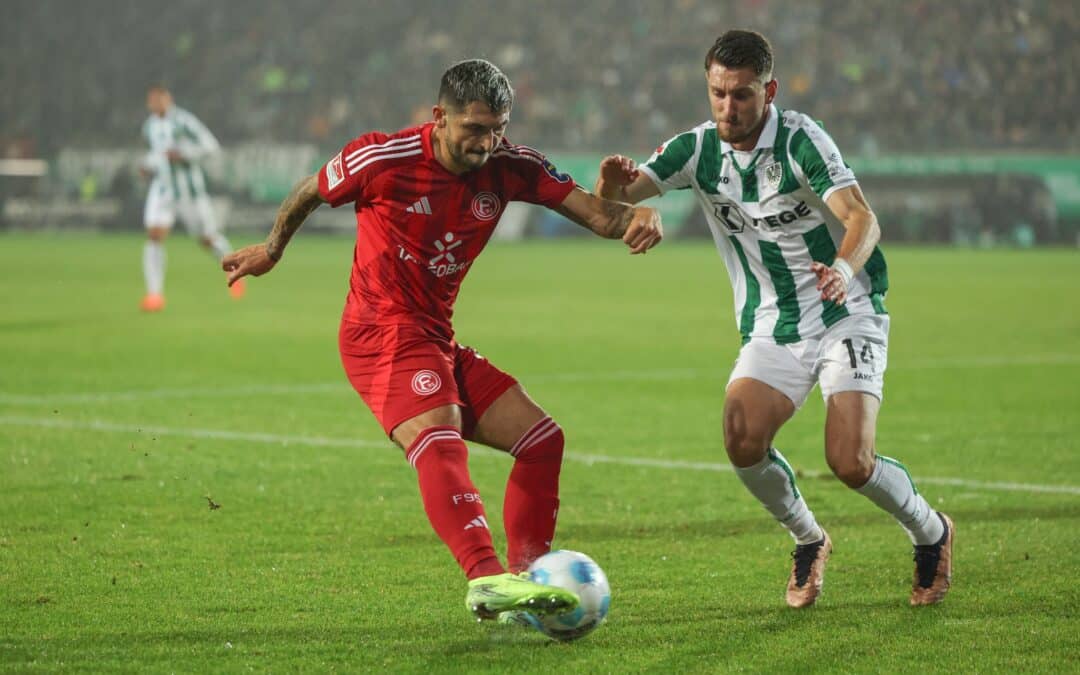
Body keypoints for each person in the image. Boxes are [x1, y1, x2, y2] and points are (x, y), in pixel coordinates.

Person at [222, 59, 663, 621]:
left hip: (434, 335)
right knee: (440, 427)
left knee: (542, 439)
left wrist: (640, 215)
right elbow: (311, 188)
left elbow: (599, 217)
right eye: (475, 128)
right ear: (440, 117)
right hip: (379, 332)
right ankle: (485, 580)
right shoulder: (383, 158)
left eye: (498, 127)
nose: (488, 141)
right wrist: (272, 248)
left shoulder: (511, 165)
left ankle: (528, 581)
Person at [595, 30, 952, 608]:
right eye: (717, 94)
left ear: (769, 90)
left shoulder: (801, 141)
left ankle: (930, 531)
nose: (728, 108)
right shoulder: (696, 149)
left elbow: (862, 220)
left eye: (741, 95)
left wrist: (840, 267)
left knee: (850, 462)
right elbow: (612, 207)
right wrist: (614, 184)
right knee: (741, 436)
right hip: (773, 324)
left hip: (845, 311)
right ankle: (809, 539)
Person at [139, 85, 243, 311]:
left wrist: (185, 154)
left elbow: (210, 146)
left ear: (168, 99)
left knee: (207, 239)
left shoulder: (184, 121)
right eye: (151, 100)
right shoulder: (149, 127)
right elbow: (155, 154)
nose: (154, 104)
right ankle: (154, 295)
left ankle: (235, 270)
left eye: (158, 99)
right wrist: (147, 166)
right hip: (162, 190)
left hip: (189, 193)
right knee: (154, 235)